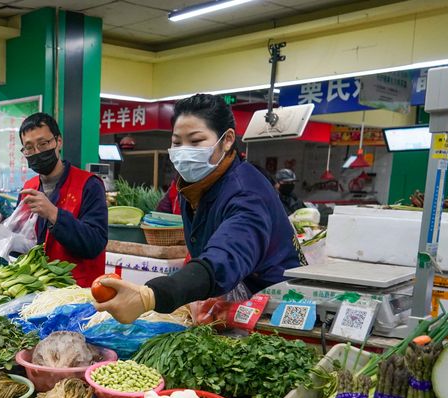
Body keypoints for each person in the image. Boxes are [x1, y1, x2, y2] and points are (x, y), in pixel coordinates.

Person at [96, 94, 305, 323]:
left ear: (227, 140)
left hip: (275, 310)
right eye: (177, 142)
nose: (184, 151)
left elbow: (225, 257)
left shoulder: (246, 192)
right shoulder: (197, 185)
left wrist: (150, 296)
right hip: (236, 299)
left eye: (196, 141)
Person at [17, 112, 108, 287]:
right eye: (29, 148)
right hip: (38, 289)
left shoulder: (89, 185)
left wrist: (54, 214)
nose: (36, 152)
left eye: (43, 144)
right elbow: (21, 240)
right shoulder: (29, 188)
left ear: (58, 141)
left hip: (78, 291)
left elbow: (95, 243)